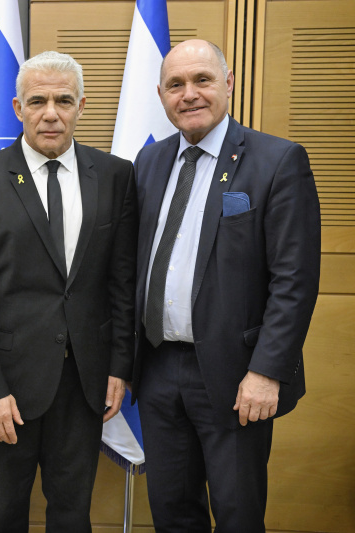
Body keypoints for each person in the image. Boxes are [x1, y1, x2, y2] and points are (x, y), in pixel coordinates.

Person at [132, 39, 321, 532]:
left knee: (237, 515)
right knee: (172, 513)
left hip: (237, 377)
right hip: (156, 369)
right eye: (176, 85)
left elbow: (294, 281)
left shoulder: (277, 160)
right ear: (160, 94)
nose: (189, 94)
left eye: (203, 80)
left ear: (229, 83)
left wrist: (267, 371)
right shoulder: (148, 164)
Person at [0, 51, 137, 532]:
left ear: (81, 105)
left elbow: (121, 282)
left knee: (73, 513)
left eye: (63, 100)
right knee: (6, 512)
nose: (50, 113)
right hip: (7, 385)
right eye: (37, 101)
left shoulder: (116, 177)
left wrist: (119, 367)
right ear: (16, 107)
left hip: (85, 383)